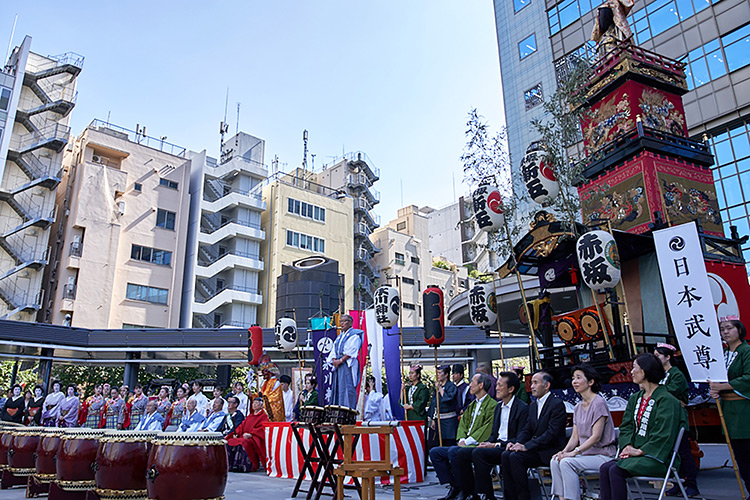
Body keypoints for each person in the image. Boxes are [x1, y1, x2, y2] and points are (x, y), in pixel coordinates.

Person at [600, 353, 686, 500]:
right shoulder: (636, 398)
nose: (631, 371)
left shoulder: (667, 400)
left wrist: (640, 451)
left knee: (616, 470)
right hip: (635, 455)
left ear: (645, 371)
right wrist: (627, 447)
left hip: (657, 456)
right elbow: (626, 426)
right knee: (605, 468)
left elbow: (664, 434)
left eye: (634, 368)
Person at [550, 364, 617, 500]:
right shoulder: (578, 407)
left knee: (567, 462)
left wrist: (574, 452)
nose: (574, 381)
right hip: (585, 455)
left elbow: (596, 437)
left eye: (578, 378)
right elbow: (575, 436)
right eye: (573, 378)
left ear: (590, 382)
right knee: (556, 460)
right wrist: (563, 452)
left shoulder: (599, 403)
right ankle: (563, 498)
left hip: (602, 455)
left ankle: (573, 498)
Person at [431, 373, 498, 500]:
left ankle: (465, 489)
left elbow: (487, 428)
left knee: (454, 452)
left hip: (477, 444)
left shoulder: (492, 405)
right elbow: (462, 424)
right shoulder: (472, 404)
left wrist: (466, 442)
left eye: (473, 381)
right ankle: (455, 485)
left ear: (481, 385)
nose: (470, 385)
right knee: (435, 452)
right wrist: (461, 439)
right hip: (464, 443)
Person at [501, 371, 566, 500]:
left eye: (535, 383)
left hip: (549, 450)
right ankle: (510, 497)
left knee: (516, 457)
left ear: (546, 385)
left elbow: (551, 433)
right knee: (506, 454)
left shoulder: (556, 404)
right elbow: (527, 430)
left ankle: (524, 497)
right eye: (531, 383)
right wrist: (517, 443)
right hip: (536, 449)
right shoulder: (533, 405)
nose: (532, 386)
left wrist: (527, 446)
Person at [470, 371, 530, 500]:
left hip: (509, 446)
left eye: (500, 385)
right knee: (474, 452)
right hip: (497, 445)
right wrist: (487, 443)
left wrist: (496, 444)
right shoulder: (498, 407)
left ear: (511, 389)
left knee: (503, 455)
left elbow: (521, 436)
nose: (496, 388)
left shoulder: (522, 408)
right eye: (496, 385)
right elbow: (493, 434)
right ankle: (485, 494)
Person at [710, 317, 750, 495]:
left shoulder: (747, 351)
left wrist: (723, 386)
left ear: (739, 330)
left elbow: (748, 377)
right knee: (740, 456)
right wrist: (714, 389)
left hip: (745, 411)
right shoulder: (723, 354)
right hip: (729, 411)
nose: (725, 332)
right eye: (722, 329)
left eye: (729, 328)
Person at [655, 343, 700, 496]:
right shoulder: (660, 374)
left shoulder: (676, 374)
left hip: (677, 416)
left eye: (658, 355)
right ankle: (677, 482)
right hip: (666, 417)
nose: (656, 359)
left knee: (683, 452)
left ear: (668, 357)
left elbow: (669, 392)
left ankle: (692, 484)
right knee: (672, 453)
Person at [327, 314, 364, 409]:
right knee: (338, 388)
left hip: (347, 364)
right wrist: (334, 360)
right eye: (341, 321)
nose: (342, 323)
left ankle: (347, 411)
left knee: (347, 388)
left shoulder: (355, 335)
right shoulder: (339, 337)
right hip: (338, 364)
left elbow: (352, 350)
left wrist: (341, 360)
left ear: (350, 323)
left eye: (344, 321)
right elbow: (333, 350)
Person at [226, 397, 270, 472]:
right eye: (254, 403)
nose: (254, 405)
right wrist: (236, 433)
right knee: (230, 441)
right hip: (243, 436)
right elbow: (241, 426)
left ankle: (241, 465)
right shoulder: (250, 416)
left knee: (243, 443)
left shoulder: (264, 417)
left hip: (253, 438)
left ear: (261, 406)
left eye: (257, 403)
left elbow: (262, 429)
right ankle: (230, 464)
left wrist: (251, 434)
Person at [427, 365, 459, 449]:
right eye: (437, 373)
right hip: (438, 420)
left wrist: (440, 389)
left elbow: (449, 399)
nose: (438, 375)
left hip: (449, 421)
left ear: (446, 374)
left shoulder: (452, 387)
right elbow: (434, 403)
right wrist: (433, 419)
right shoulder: (436, 388)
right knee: (437, 443)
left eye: (440, 373)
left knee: (449, 443)